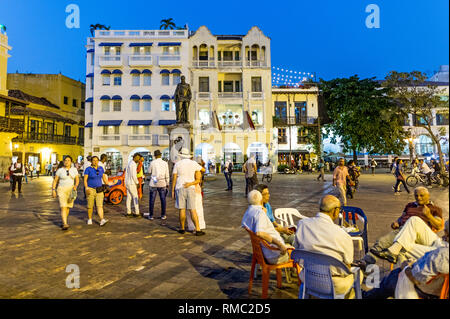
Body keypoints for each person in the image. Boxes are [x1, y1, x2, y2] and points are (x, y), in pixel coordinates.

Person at [294, 195, 362, 298]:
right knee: (358, 273)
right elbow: (348, 265)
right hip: (334, 285)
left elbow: (297, 252)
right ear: (335, 211)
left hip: (308, 278)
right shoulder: (342, 235)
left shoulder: (302, 224)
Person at [363, 219, 448, 299]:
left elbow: (417, 278)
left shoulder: (442, 255)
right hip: (430, 282)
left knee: (394, 276)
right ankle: (393, 250)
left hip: (420, 288)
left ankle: (367, 296)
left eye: (446, 233)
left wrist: (406, 267)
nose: (443, 236)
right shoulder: (442, 254)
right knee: (403, 237)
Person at [362, 186, 443, 265]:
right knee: (381, 242)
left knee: (413, 220)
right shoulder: (410, 205)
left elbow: (439, 225)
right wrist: (397, 222)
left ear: (428, 196)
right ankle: (365, 264)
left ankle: (394, 253)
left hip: (418, 235)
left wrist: (429, 216)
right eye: (416, 195)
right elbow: (402, 217)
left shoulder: (434, 209)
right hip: (401, 230)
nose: (418, 198)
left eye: (421, 195)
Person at [241, 190, 293, 265]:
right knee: (300, 252)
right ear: (261, 199)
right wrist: (280, 245)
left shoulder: (249, 211)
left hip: (265, 252)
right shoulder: (259, 213)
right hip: (274, 254)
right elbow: (260, 233)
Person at [171, 148, 205, 236]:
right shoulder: (193, 163)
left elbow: (174, 177)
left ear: (181, 156)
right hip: (191, 187)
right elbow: (203, 170)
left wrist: (172, 190)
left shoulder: (177, 164)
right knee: (192, 209)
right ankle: (198, 229)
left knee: (182, 209)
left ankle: (182, 228)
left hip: (180, 187)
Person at [84, 156, 116, 226]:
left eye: (96, 160)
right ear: (91, 161)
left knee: (100, 205)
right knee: (90, 206)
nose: (95, 162)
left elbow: (104, 180)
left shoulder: (101, 169)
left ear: (98, 161)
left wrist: (112, 183)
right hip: (91, 189)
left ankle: (102, 220)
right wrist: (86, 188)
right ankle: (89, 219)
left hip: (99, 189)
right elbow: (85, 180)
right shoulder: (88, 169)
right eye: (93, 160)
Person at [52, 156, 79, 230]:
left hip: (71, 189)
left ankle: (64, 220)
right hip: (61, 189)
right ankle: (65, 223)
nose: (67, 162)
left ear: (71, 162)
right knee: (63, 206)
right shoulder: (60, 170)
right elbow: (55, 180)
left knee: (67, 207)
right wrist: (53, 190)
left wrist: (75, 186)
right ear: (63, 162)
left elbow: (77, 180)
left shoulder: (74, 170)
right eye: (65, 160)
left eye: (68, 160)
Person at [148, 150, 169, 220]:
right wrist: (167, 183)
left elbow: (149, 171)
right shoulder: (165, 163)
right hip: (162, 182)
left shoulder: (152, 162)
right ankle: (163, 215)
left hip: (154, 181)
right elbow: (167, 174)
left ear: (155, 156)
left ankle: (151, 215)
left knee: (152, 200)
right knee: (163, 199)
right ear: (160, 155)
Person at [125, 153, 141, 218]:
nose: (139, 159)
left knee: (129, 198)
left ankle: (128, 212)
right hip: (132, 183)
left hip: (128, 183)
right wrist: (137, 183)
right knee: (135, 197)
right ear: (135, 157)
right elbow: (133, 175)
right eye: (138, 158)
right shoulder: (133, 164)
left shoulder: (130, 163)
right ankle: (137, 212)